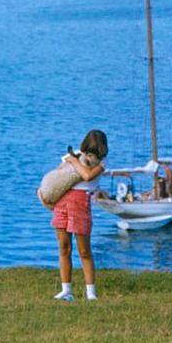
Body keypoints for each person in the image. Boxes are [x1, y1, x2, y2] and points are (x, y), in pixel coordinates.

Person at [40, 129, 108, 301]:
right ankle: (66, 290)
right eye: (89, 152)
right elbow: (59, 174)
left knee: (84, 251)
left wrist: (72, 160)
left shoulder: (102, 163)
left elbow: (86, 175)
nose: (91, 156)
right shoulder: (76, 155)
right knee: (64, 247)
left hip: (80, 203)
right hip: (63, 201)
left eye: (95, 153)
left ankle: (91, 293)